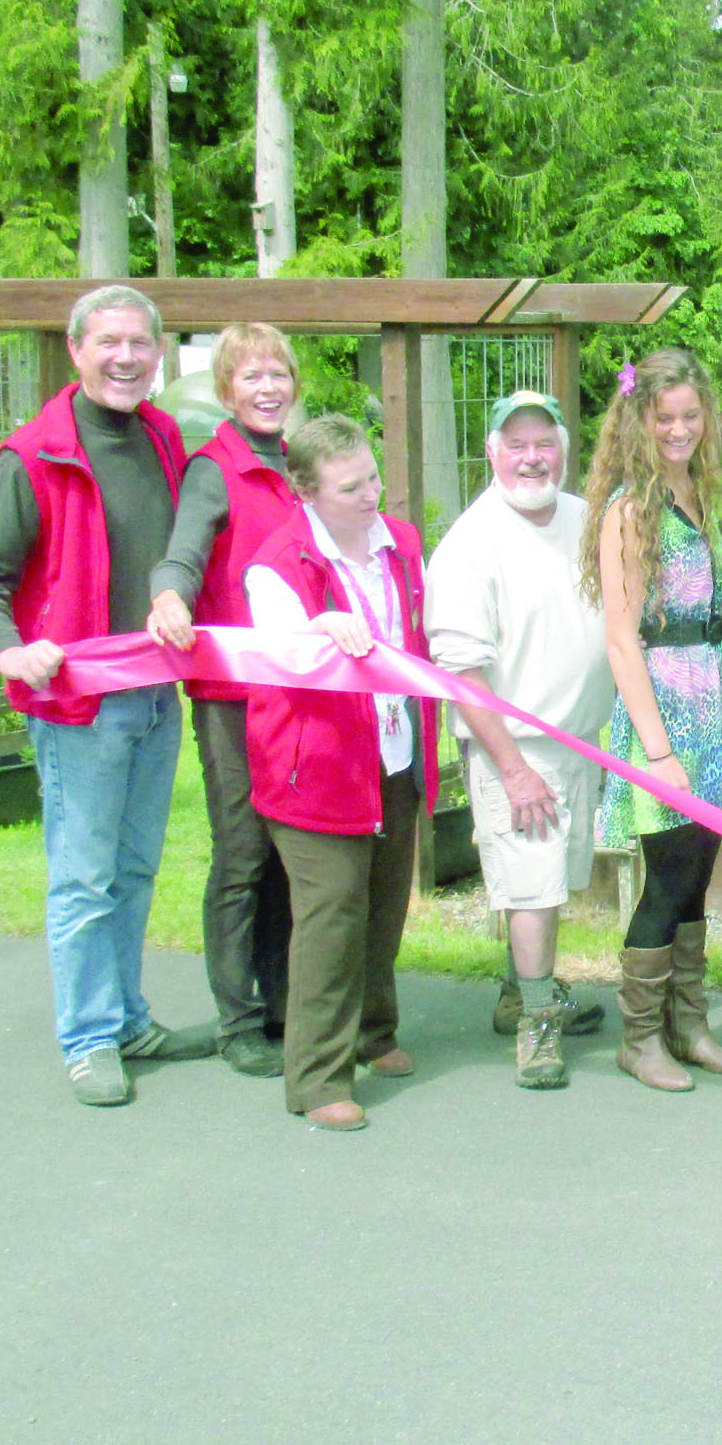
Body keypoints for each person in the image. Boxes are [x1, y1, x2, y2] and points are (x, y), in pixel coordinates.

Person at [0, 283, 213, 1108]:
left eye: (140, 343)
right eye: (109, 343)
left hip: (153, 695)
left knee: (135, 869)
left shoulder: (164, 438)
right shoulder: (34, 456)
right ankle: (88, 1038)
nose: (127, 357)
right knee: (83, 876)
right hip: (78, 706)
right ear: (77, 350)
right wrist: (10, 649)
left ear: (158, 351)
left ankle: (130, 1019)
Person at [242, 415, 437, 1133]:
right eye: (350, 486)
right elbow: (281, 658)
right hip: (312, 771)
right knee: (331, 916)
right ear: (306, 491)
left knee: (384, 907)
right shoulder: (277, 565)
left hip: (391, 755)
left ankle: (374, 1033)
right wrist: (319, 631)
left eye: (374, 478)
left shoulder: (402, 545)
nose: (370, 495)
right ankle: (316, 1076)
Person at [426, 390, 616, 1092]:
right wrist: (511, 769)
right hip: (516, 749)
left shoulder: (585, 518)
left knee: (550, 883)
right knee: (532, 885)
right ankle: (538, 1023)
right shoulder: (470, 546)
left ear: (564, 447)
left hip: (580, 739)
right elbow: (462, 672)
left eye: (545, 442)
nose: (532, 457)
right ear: (492, 453)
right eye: (517, 444)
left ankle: (520, 992)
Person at [582, 348, 722, 1094]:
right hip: (666, 712)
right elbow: (622, 638)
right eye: (665, 419)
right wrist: (658, 751)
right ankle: (641, 1034)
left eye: (691, 417)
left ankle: (690, 1024)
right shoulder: (631, 509)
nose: (680, 430)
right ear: (639, 421)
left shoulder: (699, 493)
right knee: (668, 876)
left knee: (693, 874)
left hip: (717, 703)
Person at [146, 322, 300, 1079]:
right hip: (233, 695)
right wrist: (169, 597)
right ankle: (235, 1018)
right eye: (251, 377)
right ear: (227, 391)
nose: (268, 388)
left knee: (285, 853)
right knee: (241, 852)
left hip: (302, 693)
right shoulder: (215, 470)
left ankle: (281, 1004)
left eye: (278, 374)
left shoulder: (301, 466)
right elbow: (183, 552)